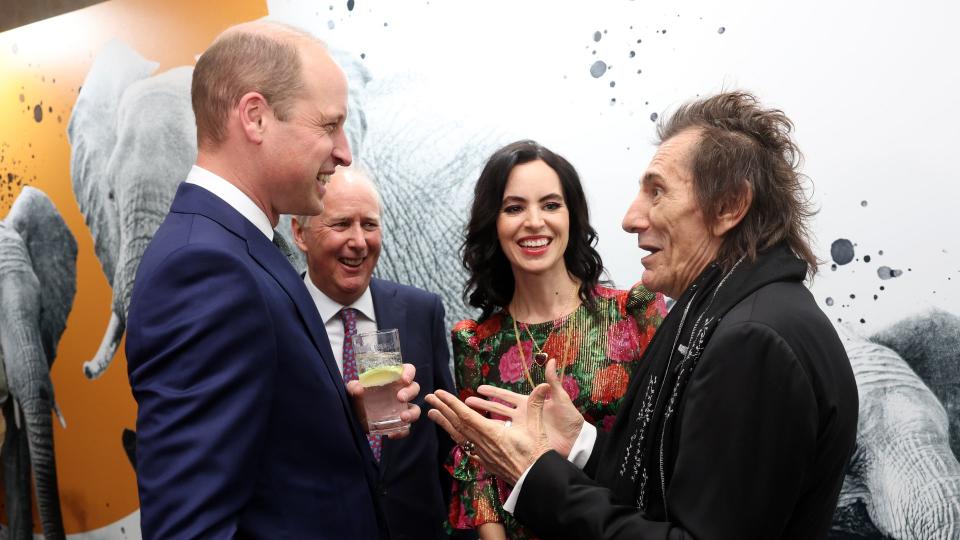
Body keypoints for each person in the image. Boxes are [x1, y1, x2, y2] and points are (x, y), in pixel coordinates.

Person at [426, 92, 859, 539]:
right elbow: (665, 490)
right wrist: (580, 444)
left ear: (730, 206)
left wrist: (535, 475)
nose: (631, 218)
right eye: (514, 207)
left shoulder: (751, 340)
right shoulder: (725, 315)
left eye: (657, 191)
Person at [125, 22, 420, 539]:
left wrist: (330, 413)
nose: (345, 151)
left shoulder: (238, 247)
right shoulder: (203, 269)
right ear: (255, 117)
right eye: (329, 125)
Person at [446, 140, 665, 539]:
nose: (534, 222)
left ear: (572, 216)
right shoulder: (476, 343)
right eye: (514, 208)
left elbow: (660, 449)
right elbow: (478, 469)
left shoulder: (632, 313)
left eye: (550, 205)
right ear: (493, 223)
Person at [290, 166, 458, 540]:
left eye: (369, 225)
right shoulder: (278, 319)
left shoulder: (420, 311)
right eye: (341, 224)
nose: (359, 241)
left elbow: (446, 439)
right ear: (300, 234)